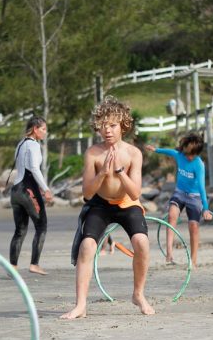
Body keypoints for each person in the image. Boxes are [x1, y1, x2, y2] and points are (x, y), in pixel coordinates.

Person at [61, 96, 154, 319]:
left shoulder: (134, 154)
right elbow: (87, 193)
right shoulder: (93, 153)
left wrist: (120, 172)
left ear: (123, 126)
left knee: (142, 242)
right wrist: (103, 172)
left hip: (127, 203)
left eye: (112, 125)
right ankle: (80, 304)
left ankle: (138, 294)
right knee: (87, 246)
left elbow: (135, 193)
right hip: (100, 204)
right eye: (103, 125)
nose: (107, 130)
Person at [145, 132, 212, 268]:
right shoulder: (180, 155)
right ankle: (169, 255)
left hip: (194, 197)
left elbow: (201, 187)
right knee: (171, 216)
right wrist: (155, 149)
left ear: (197, 153)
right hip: (179, 193)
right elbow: (169, 152)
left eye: (192, 155)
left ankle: (193, 261)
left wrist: (205, 208)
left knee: (193, 226)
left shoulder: (199, 165)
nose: (188, 157)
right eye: (187, 153)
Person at [8, 116, 53, 275]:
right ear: (35, 129)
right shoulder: (33, 145)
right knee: (42, 226)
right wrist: (45, 189)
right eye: (43, 129)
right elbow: (34, 167)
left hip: (15, 191)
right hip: (28, 190)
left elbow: (22, 167)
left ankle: (12, 267)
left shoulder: (20, 144)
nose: (45, 133)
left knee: (20, 230)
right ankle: (34, 264)